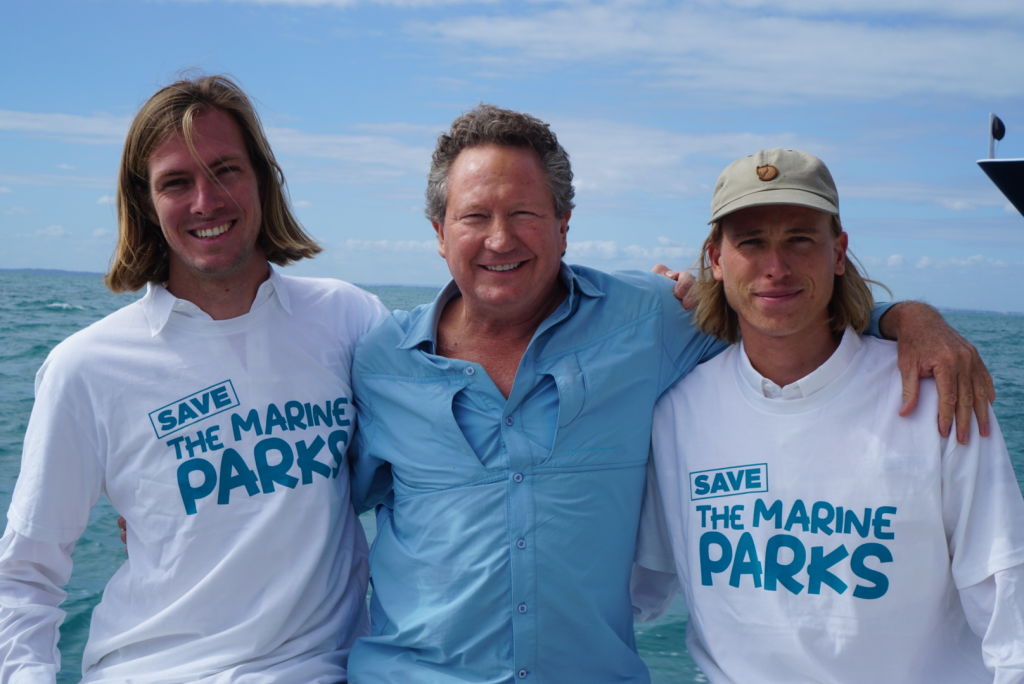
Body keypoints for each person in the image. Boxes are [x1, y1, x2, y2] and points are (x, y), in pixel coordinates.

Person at [348, 106, 995, 683]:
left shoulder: (649, 320)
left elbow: (781, 311)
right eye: (473, 217)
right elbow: (314, 522)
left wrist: (908, 319)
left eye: (524, 213)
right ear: (438, 231)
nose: (500, 238)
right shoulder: (377, 363)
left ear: (564, 224)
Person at [0, 75, 385, 682]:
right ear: (146, 203)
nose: (206, 201)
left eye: (226, 169)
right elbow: (26, 573)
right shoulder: (86, 367)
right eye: (176, 182)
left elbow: (429, 474)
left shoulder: (350, 319)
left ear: (263, 177)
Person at [635, 148, 1024, 682]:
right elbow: (636, 590)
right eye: (751, 242)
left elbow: (1006, 597)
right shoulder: (677, 410)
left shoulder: (935, 394)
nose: (776, 267)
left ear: (838, 252)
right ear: (717, 259)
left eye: (800, 238)